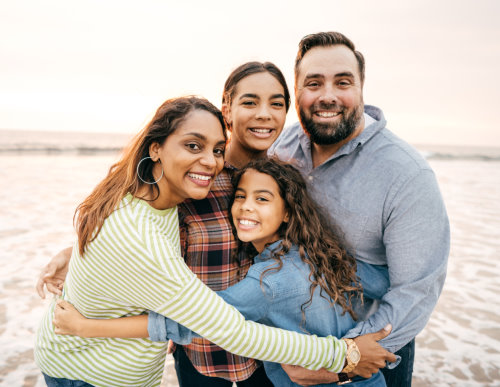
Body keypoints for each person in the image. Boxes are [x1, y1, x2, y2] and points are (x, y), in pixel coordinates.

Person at [34, 96, 355, 387]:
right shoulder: (142, 239)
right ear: (155, 147)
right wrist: (342, 354)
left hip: (96, 365)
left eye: (217, 150)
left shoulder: (144, 196)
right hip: (90, 376)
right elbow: (235, 332)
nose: (211, 161)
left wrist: (71, 253)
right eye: (193, 146)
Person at [49, 157, 391, 386]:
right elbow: (384, 282)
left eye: (262, 199)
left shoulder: (268, 281)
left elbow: (186, 322)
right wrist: (357, 343)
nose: (245, 207)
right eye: (241, 196)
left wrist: (86, 326)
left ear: (288, 212)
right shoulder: (324, 253)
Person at [269, 32, 450, 387]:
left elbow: (416, 291)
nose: (328, 95)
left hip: (370, 356)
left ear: (362, 87)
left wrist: (345, 356)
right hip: (289, 347)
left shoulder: (407, 174)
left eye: (343, 82)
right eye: (314, 83)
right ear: (297, 90)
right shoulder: (282, 146)